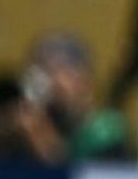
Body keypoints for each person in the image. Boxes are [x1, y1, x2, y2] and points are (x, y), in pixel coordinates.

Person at [18, 32, 130, 161]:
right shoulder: (40, 120)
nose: (50, 84)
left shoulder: (107, 129)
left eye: (58, 71)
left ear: (85, 80)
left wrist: (39, 135)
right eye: (45, 72)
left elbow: (74, 172)